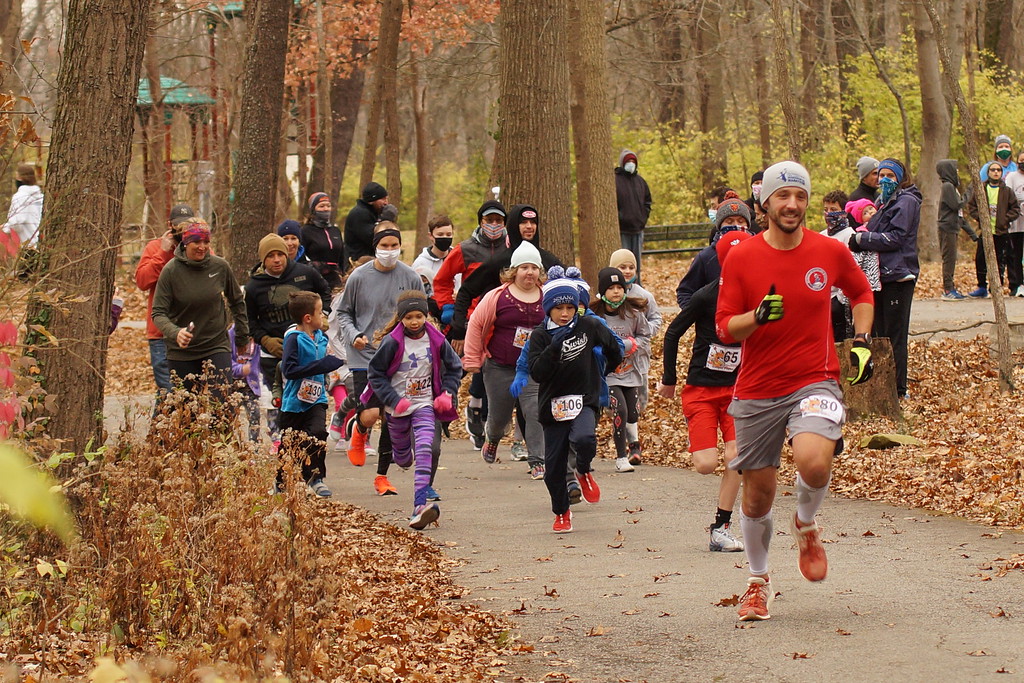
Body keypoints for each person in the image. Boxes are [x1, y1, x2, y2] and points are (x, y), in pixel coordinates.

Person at [715, 160, 875, 621]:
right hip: (759, 387)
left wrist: (861, 341)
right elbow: (726, 327)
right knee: (758, 496)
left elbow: (862, 293)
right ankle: (758, 582)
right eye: (783, 196)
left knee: (814, 460)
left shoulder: (828, 251)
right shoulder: (742, 256)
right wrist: (757, 316)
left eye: (800, 196)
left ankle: (806, 524)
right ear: (765, 202)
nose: (792, 204)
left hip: (815, 376)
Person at [659, 231, 752, 553]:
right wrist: (669, 379)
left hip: (737, 392)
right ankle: (720, 526)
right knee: (705, 465)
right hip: (701, 390)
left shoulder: (756, 299)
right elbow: (672, 333)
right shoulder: (706, 296)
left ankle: (720, 527)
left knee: (736, 457)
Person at [528, 272, 623, 534]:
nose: (565, 313)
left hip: (585, 398)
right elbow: (536, 372)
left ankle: (583, 470)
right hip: (553, 406)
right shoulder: (540, 336)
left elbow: (614, 348)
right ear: (549, 309)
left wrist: (604, 369)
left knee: (584, 439)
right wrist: (553, 349)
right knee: (553, 469)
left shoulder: (589, 326)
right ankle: (561, 512)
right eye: (559, 308)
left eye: (571, 307)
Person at [335, 223, 425, 495]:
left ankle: (382, 477)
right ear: (375, 247)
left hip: (397, 354)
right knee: (371, 413)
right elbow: (343, 313)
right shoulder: (359, 277)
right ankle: (359, 428)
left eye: (393, 246)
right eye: (384, 246)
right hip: (364, 353)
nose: (389, 251)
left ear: (400, 247)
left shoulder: (411, 277)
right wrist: (354, 335)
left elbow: (421, 314)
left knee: (391, 415)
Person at [367, 290, 462, 529]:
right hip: (397, 407)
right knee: (403, 458)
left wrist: (446, 394)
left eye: (419, 316)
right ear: (401, 318)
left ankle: (419, 506)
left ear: (426, 316)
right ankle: (402, 457)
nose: (414, 321)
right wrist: (392, 398)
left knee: (425, 449)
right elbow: (375, 374)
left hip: (424, 405)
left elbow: (454, 368)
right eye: (408, 317)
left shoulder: (437, 339)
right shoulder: (392, 342)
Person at [463, 241, 547, 475]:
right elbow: (476, 325)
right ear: (514, 271)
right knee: (500, 416)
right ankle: (493, 437)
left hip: (533, 368)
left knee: (534, 412)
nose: (529, 272)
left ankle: (537, 460)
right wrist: (472, 359)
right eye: (524, 267)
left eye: (533, 267)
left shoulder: (546, 296)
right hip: (501, 366)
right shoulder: (497, 296)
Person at [245, 233, 332, 446]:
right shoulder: (254, 286)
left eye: (280, 255)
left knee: (306, 394)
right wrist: (265, 340)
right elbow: (249, 321)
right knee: (280, 398)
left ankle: (307, 435)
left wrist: (325, 314)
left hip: (306, 348)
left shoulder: (305, 273)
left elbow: (325, 291)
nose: (277, 260)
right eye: (271, 256)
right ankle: (279, 439)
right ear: (263, 259)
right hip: (273, 351)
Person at [434, 199, 507, 448]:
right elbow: (442, 280)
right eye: (489, 220)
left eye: (499, 220)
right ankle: (443, 408)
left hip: (503, 318)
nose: (494, 225)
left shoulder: (514, 248)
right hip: (472, 319)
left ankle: (479, 414)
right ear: (481, 222)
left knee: (491, 368)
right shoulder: (466, 249)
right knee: (459, 367)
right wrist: (450, 309)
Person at [849, 158, 922, 399]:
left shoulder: (907, 202)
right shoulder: (883, 202)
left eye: (890, 175)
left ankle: (899, 390)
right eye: (881, 176)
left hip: (899, 276)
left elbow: (896, 238)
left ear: (901, 177)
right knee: (879, 333)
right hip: (880, 276)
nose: (884, 180)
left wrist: (863, 240)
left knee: (894, 336)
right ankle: (883, 385)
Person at [151, 219, 249, 394]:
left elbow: (236, 301)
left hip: (216, 344)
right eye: (196, 242)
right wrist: (176, 332)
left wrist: (242, 336)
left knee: (221, 405)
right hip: (182, 351)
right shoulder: (171, 271)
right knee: (188, 409)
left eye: (206, 242)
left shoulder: (220, 267)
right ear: (185, 242)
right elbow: (158, 313)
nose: (202, 247)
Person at [279, 291, 345, 498]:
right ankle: (281, 482)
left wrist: (331, 365)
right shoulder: (294, 339)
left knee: (318, 434)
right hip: (293, 403)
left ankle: (315, 478)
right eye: (320, 313)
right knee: (290, 443)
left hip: (317, 399)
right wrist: (320, 366)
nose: (323, 317)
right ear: (308, 318)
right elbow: (288, 370)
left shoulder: (321, 337)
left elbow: (327, 359)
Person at [590, 267, 650, 473]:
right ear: (602, 291)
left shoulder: (633, 313)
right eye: (611, 288)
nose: (616, 292)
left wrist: (633, 343)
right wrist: (602, 350)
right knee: (621, 411)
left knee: (632, 414)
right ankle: (621, 457)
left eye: (619, 287)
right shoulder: (595, 316)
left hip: (630, 372)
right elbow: (589, 340)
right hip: (608, 375)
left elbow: (645, 336)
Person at [135, 203, 195, 398]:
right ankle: (160, 429)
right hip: (161, 334)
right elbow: (142, 281)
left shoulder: (199, 248)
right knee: (168, 393)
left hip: (192, 331)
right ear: (170, 225)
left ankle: (175, 428)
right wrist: (162, 252)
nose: (182, 231)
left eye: (187, 227)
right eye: (178, 227)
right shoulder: (154, 248)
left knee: (190, 394)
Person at [675, 191, 754, 309]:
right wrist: (698, 316)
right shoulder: (706, 257)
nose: (736, 225)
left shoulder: (759, 252)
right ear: (720, 225)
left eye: (741, 221)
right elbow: (685, 291)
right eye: (729, 221)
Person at [966, 162, 1021, 298]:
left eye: (998, 170)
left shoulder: (1007, 191)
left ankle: (996, 287)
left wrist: (1005, 220)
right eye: (992, 170)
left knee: (1000, 260)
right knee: (980, 259)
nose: (995, 172)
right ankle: (982, 286)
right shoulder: (982, 189)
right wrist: (980, 218)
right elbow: (971, 206)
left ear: (1001, 173)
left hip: (1001, 232)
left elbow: (1015, 209)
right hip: (985, 232)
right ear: (988, 172)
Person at [936, 159, 978, 301]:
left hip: (953, 227)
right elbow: (957, 205)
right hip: (946, 228)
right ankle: (948, 289)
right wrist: (971, 190)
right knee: (949, 258)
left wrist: (973, 234)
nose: (958, 172)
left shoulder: (952, 188)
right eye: (955, 169)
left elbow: (959, 216)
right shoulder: (947, 186)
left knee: (952, 258)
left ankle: (951, 287)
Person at [615, 150, 653, 283]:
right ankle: (621, 285)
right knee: (622, 262)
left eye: (633, 162)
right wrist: (620, 218)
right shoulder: (615, 180)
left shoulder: (640, 182)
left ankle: (636, 284)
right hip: (622, 230)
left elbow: (647, 201)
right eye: (628, 162)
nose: (631, 164)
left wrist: (643, 218)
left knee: (635, 262)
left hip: (638, 229)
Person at [300, 192, 345, 289]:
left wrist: (344, 274)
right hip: (315, 279)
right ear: (313, 210)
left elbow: (342, 256)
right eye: (321, 206)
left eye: (328, 206)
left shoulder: (335, 231)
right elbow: (301, 256)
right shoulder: (306, 231)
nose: (326, 209)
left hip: (336, 280)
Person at [228, 323, 261, 443]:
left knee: (255, 416)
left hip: (250, 386)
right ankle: (228, 447)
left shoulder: (256, 335)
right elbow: (225, 361)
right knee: (228, 419)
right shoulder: (230, 335)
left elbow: (257, 362)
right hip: (232, 385)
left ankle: (254, 448)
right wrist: (240, 369)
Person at [344, 181, 389, 264]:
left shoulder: (375, 213)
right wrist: (386, 221)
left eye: (386, 198)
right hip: (358, 262)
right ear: (372, 200)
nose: (386, 202)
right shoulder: (360, 214)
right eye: (382, 199)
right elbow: (374, 239)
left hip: (371, 260)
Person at [3, 163, 43, 248]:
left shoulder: (20, 197)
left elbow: (17, 223)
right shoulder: (40, 196)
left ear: (19, 178)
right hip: (40, 244)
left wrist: (4, 229)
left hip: (27, 246)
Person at [1001, 152, 1024, 297]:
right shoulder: (1012, 177)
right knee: (1015, 255)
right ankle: (1017, 284)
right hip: (1016, 224)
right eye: (1022, 160)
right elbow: (1008, 196)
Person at [412, 214, 455, 286]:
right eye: (440, 235)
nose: (445, 238)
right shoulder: (420, 263)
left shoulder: (459, 258)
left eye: (448, 234)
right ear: (431, 236)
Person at [848, 156, 878, 227]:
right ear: (864, 177)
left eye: (880, 173)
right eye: (874, 173)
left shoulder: (879, 196)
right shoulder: (856, 199)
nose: (879, 177)